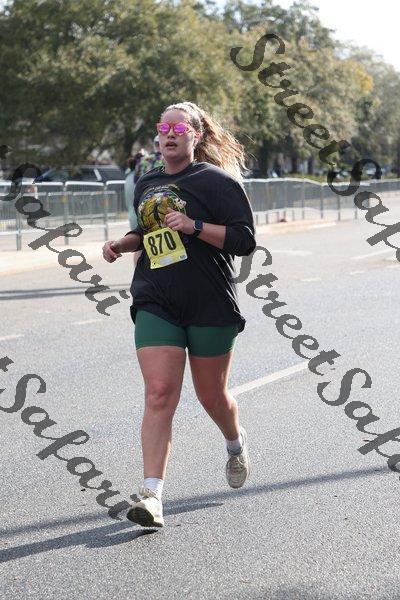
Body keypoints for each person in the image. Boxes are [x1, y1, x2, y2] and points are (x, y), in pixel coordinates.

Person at [102, 101, 256, 528]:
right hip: (157, 298)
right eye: (163, 128)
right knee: (159, 392)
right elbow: (144, 231)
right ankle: (151, 494)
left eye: (179, 128)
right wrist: (122, 244)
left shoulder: (217, 182)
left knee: (212, 397)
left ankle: (235, 441)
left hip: (209, 301)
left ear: (196, 135)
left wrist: (193, 227)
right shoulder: (147, 182)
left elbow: (244, 240)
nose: (169, 135)